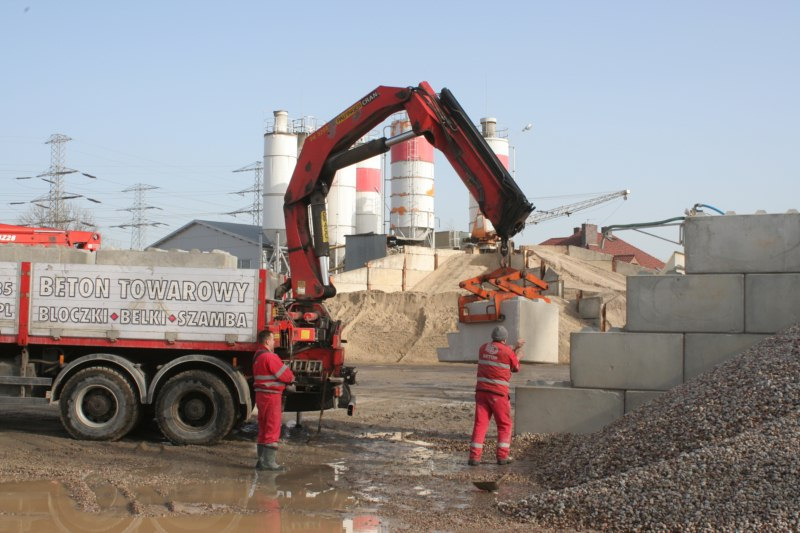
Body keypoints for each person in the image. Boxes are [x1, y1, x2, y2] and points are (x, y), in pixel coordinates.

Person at [468, 325, 524, 466]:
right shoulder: (507, 352)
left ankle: (474, 458)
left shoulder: (483, 348)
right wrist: (517, 355)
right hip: (498, 394)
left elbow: (498, 353)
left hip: (481, 393)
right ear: (505, 339)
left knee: (480, 425)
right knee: (504, 425)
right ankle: (502, 457)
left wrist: (514, 348)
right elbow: (515, 367)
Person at [253, 328, 295, 471]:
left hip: (261, 395)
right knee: (272, 426)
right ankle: (269, 463)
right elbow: (286, 376)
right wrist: (291, 377)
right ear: (266, 341)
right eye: (272, 339)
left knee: (264, 427)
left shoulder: (258, 356)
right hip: (271, 396)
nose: (274, 342)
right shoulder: (270, 357)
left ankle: (261, 460)